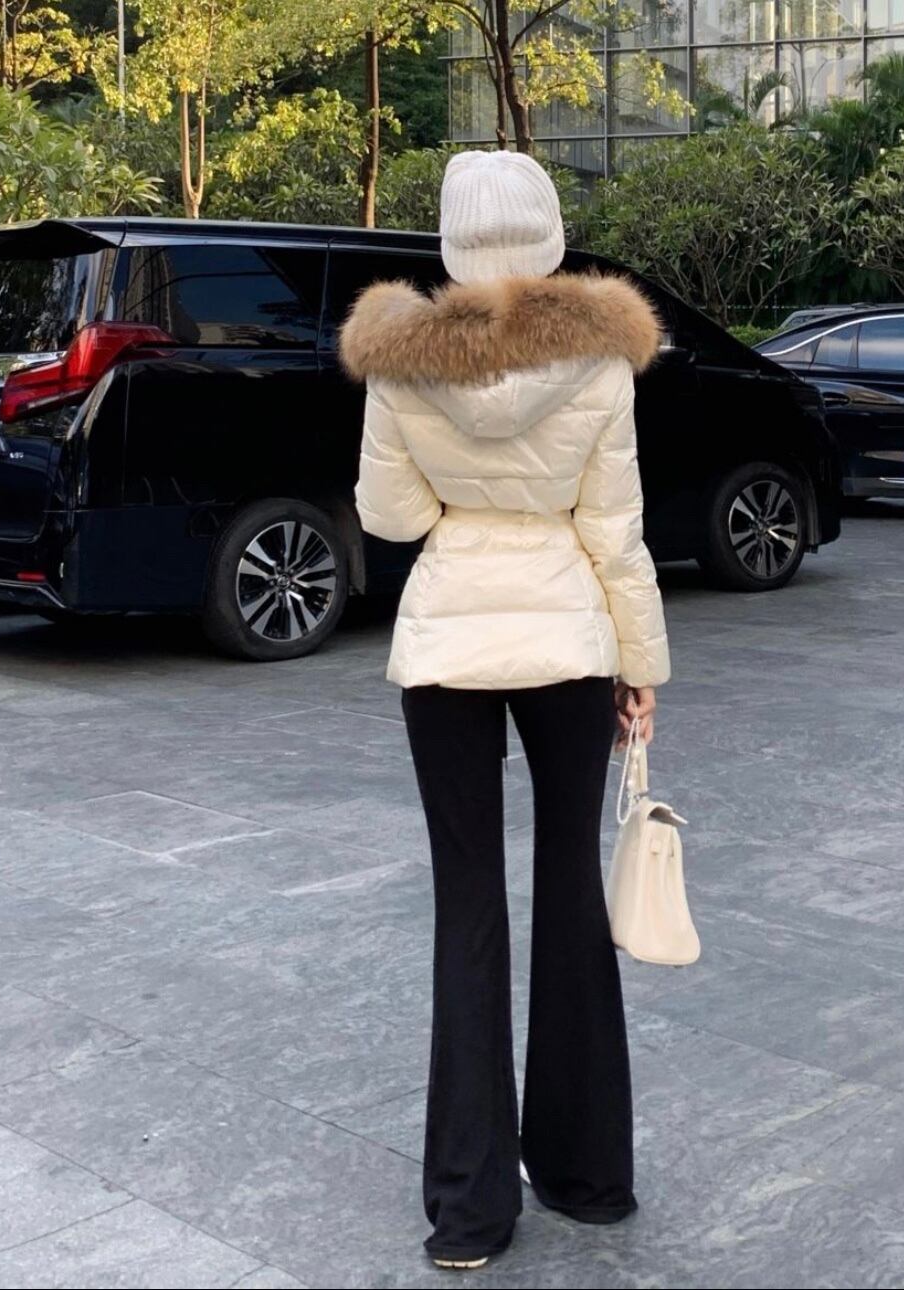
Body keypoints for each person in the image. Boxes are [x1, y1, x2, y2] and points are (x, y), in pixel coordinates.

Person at [338, 149, 671, 1270]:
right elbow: (616, 528)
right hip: (569, 641)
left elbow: (390, 517)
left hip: (446, 647)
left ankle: (470, 1214)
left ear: (448, 244)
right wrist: (641, 664)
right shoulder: (601, 360)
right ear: (550, 237)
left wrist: (460, 505)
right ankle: (588, 1177)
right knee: (571, 892)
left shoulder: (398, 364)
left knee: (466, 907)